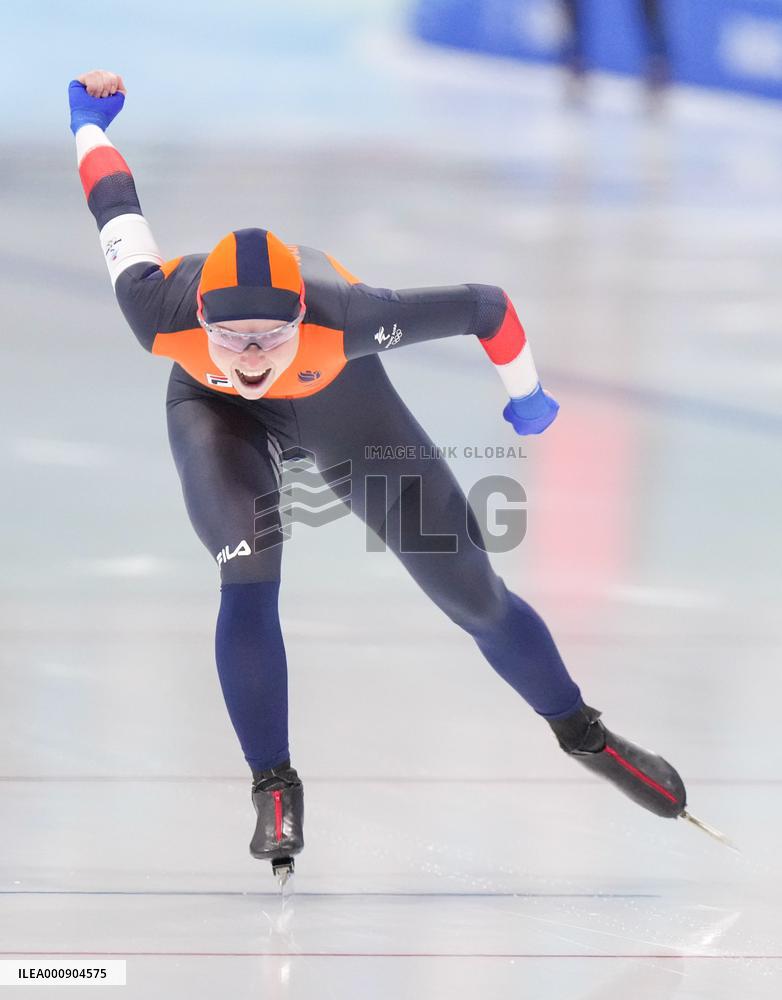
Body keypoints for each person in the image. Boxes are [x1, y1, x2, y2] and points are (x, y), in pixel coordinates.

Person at [68, 69, 687, 883]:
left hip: (345, 409)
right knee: (247, 573)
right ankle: (275, 787)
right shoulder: (157, 311)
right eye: (232, 338)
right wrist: (89, 122)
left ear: (304, 317)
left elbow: (489, 307)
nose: (252, 358)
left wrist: (529, 399)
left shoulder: (352, 317)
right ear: (199, 321)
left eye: (271, 336)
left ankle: (584, 734)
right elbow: (116, 205)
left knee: (472, 591)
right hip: (214, 418)